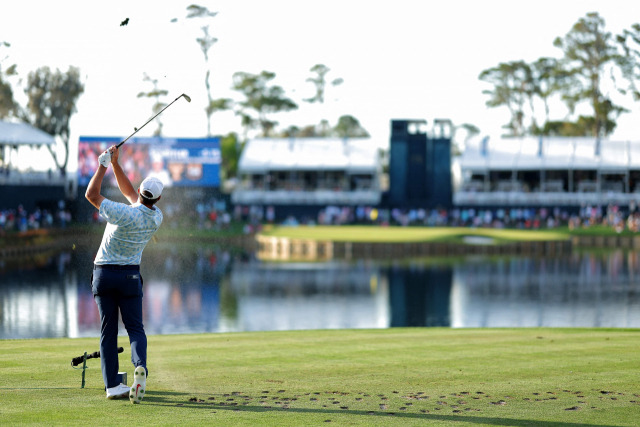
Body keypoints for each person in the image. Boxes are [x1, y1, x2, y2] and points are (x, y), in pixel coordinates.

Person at [85, 144, 164, 403]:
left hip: (105, 275)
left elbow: (91, 194)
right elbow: (132, 194)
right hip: (130, 278)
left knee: (108, 332)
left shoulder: (122, 213)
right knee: (135, 329)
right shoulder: (156, 217)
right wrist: (117, 164)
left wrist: (103, 166)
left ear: (141, 191)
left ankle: (112, 387)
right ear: (157, 199)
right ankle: (139, 365)